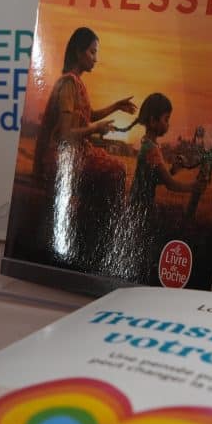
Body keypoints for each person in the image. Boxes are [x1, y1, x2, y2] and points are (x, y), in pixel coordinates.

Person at [32, 27, 136, 270]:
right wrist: (96, 128)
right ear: (79, 52)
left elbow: (88, 115)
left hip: (75, 153)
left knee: (114, 168)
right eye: (92, 52)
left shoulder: (75, 83)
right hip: (63, 156)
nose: (95, 58)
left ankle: (100, 233)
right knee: (116, 170)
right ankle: (104, 235)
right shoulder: (68, 84)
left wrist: (116, 106)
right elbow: (66, 134)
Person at [111, 93, 206, 282]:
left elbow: (155, 179)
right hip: (141, 208)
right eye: (166, 119)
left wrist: (173, 169)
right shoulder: (151, 149)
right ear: (153, 121)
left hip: (138, 205)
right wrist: (193, 187)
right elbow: (169, 184)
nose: (168, 124)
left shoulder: (149, 145)